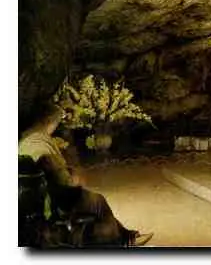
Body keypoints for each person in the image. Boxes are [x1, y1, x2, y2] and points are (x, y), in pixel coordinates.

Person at [18, 102, 153, 247]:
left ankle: (126, 235)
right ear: (49, 121)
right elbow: (63, 180)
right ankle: (119, 241)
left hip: (41, 196)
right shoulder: (40, 142)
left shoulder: (26, 137)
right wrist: (76, 177)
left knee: (94, 200)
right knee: (97, 201)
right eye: (56, 123)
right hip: (54, 200)